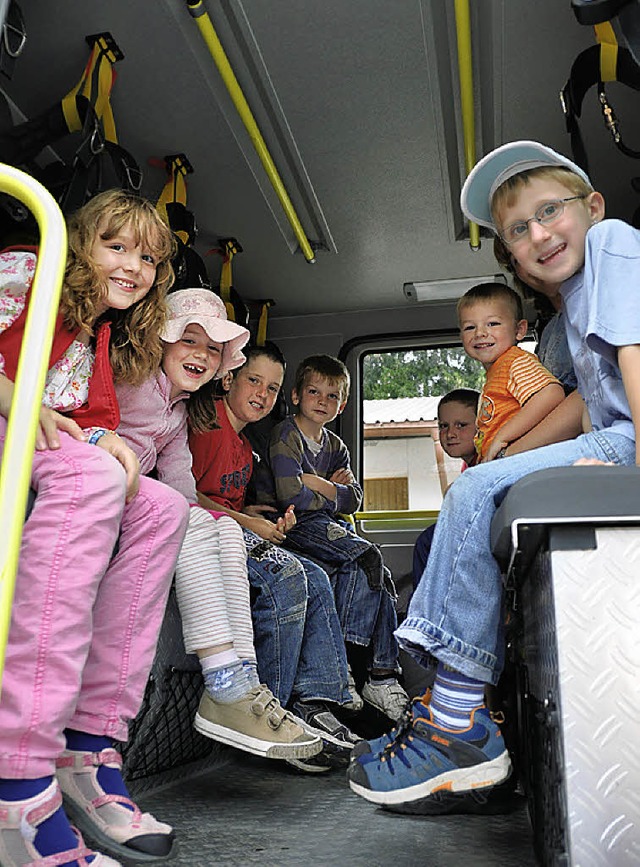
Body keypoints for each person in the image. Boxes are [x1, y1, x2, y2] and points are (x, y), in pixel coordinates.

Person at [347, 139, 640, 811]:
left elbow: (634, 357)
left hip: (628, 441)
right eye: (518, 228)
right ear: (511, 253)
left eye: (551, 211)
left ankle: (454, 719)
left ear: (592, 208)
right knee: (485, 485)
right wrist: (515, 456)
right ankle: (453, 708)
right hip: (611, 435)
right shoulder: (568, 314)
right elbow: (577, 404)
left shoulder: (617, 246)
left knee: (474, 489)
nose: (538, 233)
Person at [0, 190, 190, 865]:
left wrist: (105, 433)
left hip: (39, 436)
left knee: (164, 504)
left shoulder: (97, 334)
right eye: (117, 246)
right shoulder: (29, 268)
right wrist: (13, 397)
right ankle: (19, 772)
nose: (133, 266)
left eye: (147, 257)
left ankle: (89, 741)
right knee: (90, 477)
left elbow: (85, 412)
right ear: (77, 242)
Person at [115, 287, 321, 763]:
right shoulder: (135, 385)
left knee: (220, 528)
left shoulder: (176, 411)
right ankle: (225, 681)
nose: (202, 355)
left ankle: (242, 679)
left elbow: (183, 485)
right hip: (113, 492)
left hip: (145, 501)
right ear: (159, 342)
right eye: (189, 340)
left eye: (212, 349)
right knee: (183, 516)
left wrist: (229, 519)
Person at [188, 343, 359, 771]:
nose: (263, 395)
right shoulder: (205, 427)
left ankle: (315, 702)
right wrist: (250, 525)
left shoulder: (246, 449)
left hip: (231, 527)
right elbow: (185, 493)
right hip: (202, 535)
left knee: (315, 576)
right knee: (286, 576)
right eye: (253, 381)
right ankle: (270, 713)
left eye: (273, 388)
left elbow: (220, 498)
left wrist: (250, 515)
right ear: (227, 380)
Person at [257, 354, 409, 720]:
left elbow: (354, 499)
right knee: (367, 557)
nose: (322, 402)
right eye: (314, 392)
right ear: (295, 396)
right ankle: (364, 664)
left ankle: (377, 674)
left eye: (332, 396)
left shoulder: (336, 447)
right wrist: (328, 494)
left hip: (327, 525)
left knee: (375, 572)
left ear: (342, 404)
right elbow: (289, 496)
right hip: (291, 523)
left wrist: (317, 483)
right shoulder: (285, 435)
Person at [457, 281, 564, 462]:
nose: (480, 333)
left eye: (492, 323)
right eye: (470, 327)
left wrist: (502, 437)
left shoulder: (515, 361)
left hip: (521, 458)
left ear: (519, 330)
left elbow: (551, 394)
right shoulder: (497, 372)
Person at [412, 388, 479, 587]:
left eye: (461, 425)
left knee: (428, 542)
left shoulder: (486, 462)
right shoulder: (468, 465)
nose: (450, 433)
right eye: (443, 426)